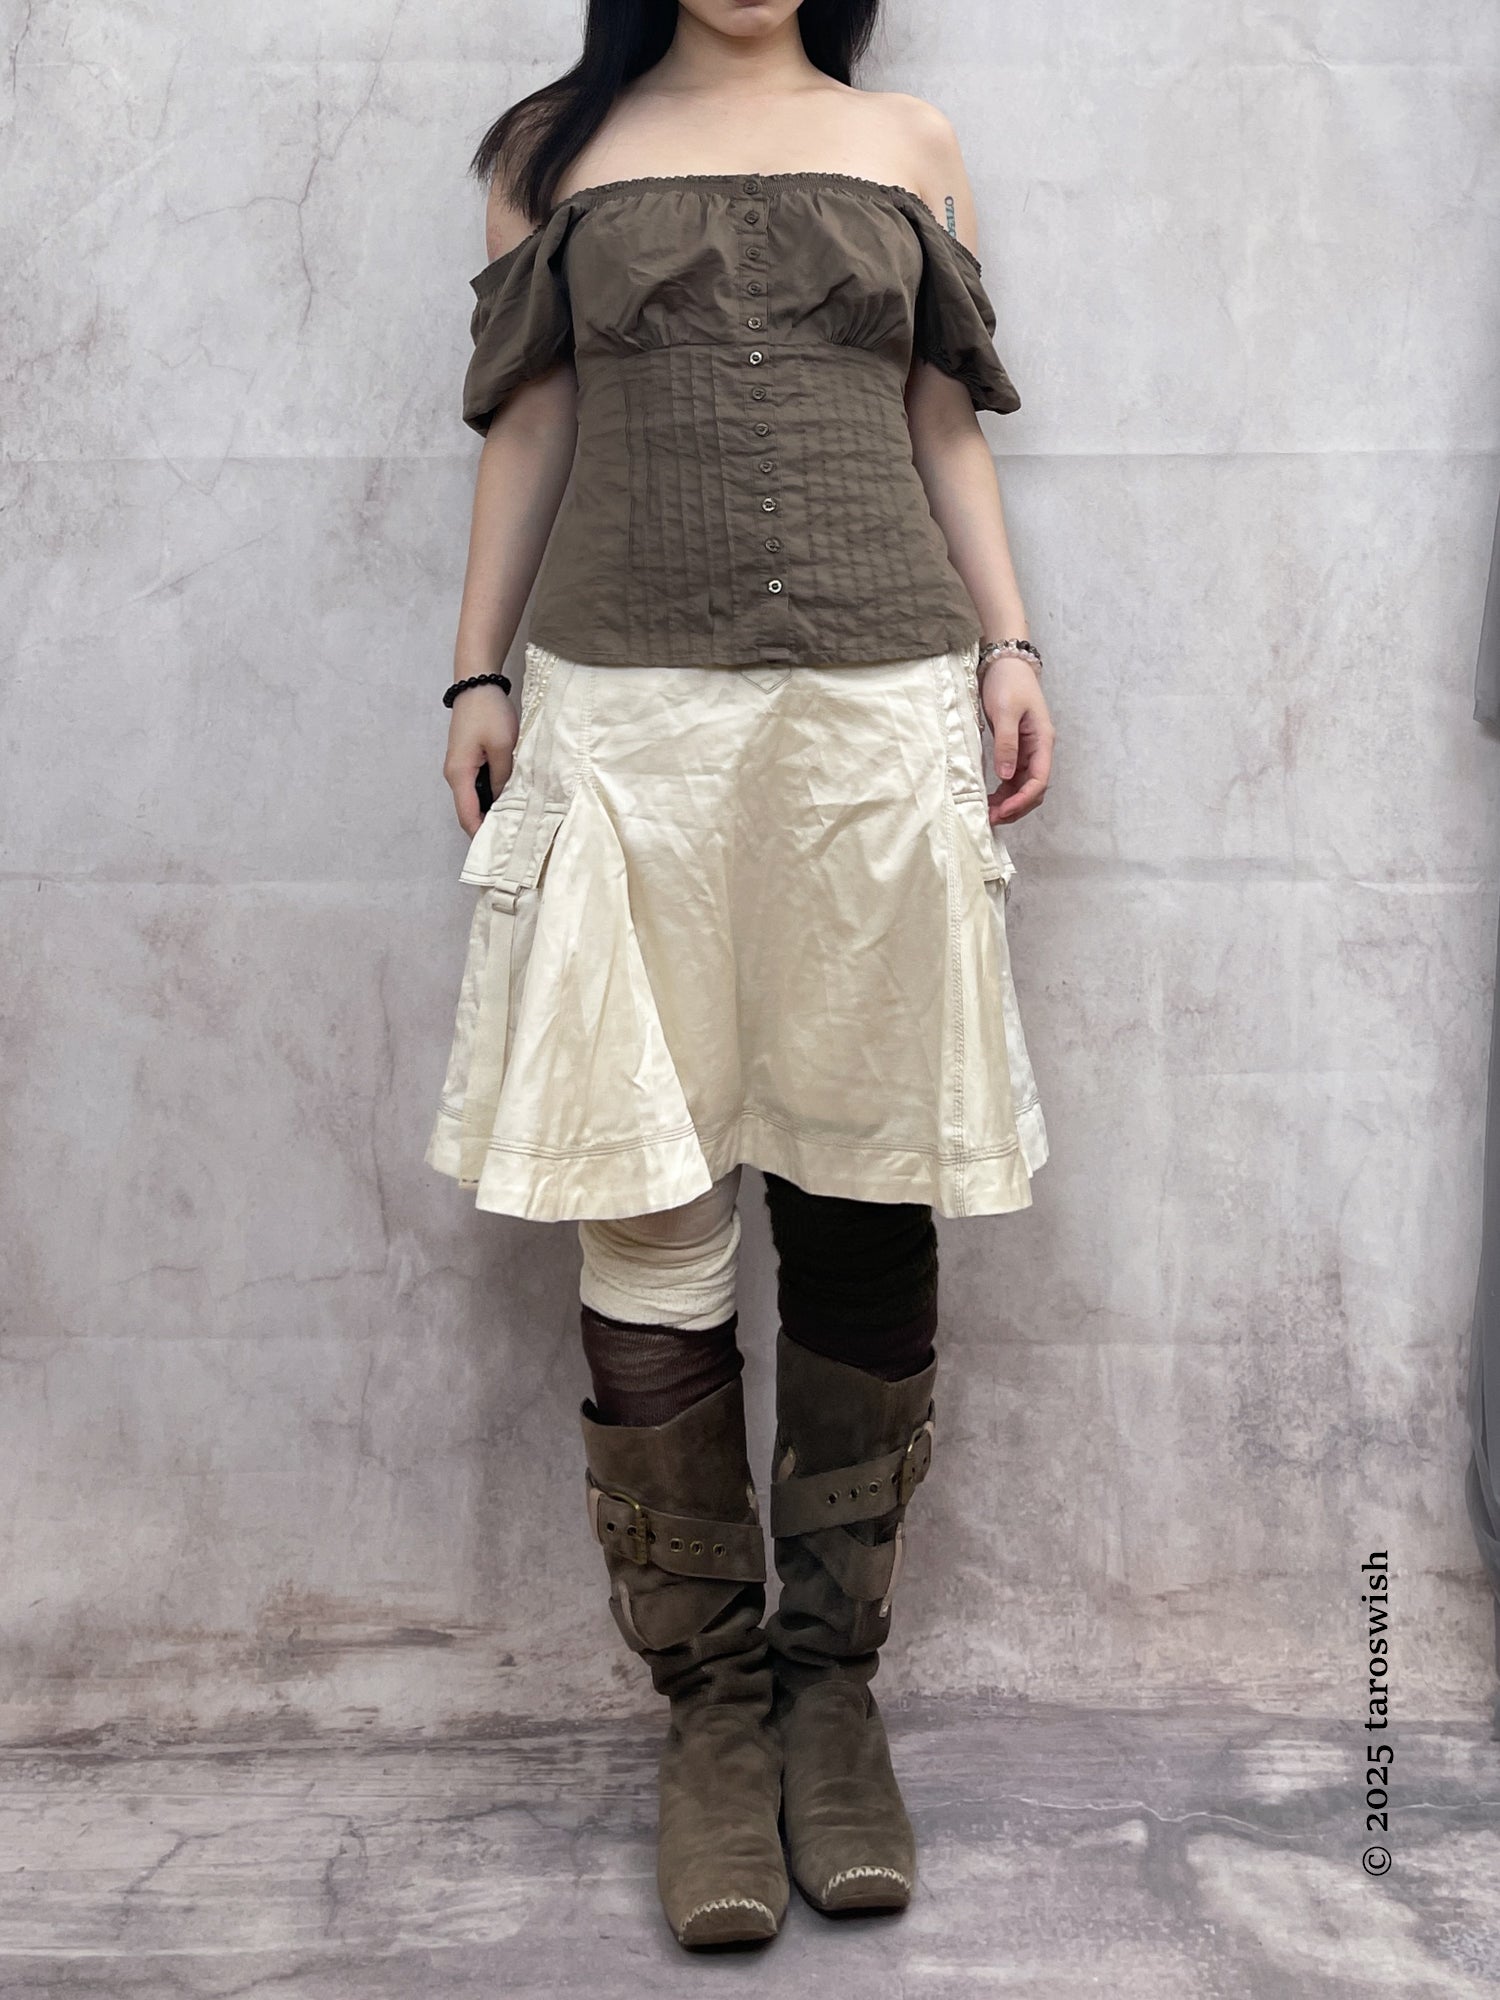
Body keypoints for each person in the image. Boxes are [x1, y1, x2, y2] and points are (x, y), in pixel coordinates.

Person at [425, 0, 1055, 1953]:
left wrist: (1011, 645)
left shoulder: (909, 143)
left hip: (871, 718)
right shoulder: (554, 151)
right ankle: (708, 1714)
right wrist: (476, 669)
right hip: (629, 729)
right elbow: (534, 419)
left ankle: (830, 1692)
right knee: (647, 1189)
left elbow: (938, 416)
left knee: (862, 1176)